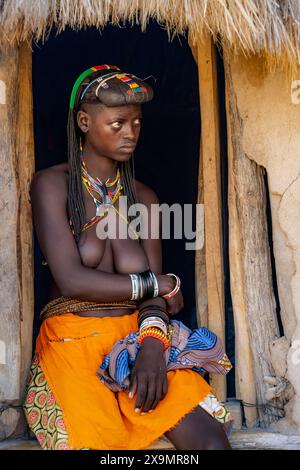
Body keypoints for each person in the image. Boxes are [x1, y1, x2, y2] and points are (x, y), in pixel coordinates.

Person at [24, 64, 233, 450]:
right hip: (73, 343)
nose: (130, 133)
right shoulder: (51, 185)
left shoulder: (145, 198)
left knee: (210, 444)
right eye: (117, 122)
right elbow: (72, 279)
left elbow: (158, 294)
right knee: (98, 445)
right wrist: (159, 283)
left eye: (136, 123)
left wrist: (153, 345)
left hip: (138, 337)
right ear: (84, 121)